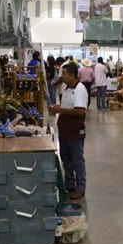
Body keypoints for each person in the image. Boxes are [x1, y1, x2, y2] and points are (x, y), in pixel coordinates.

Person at [50, 63, 88, 200]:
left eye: (64, 74)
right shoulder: (66, 88)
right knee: (66, 159)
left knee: (77, 160)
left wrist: (60, 110)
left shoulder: (80, 89)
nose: (62, 76)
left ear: (72, 75)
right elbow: (67, 105)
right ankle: (70, 184)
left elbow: (80, 111)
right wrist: (57, 107)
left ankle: (80, 188)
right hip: (65, 129)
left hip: (75, 130)